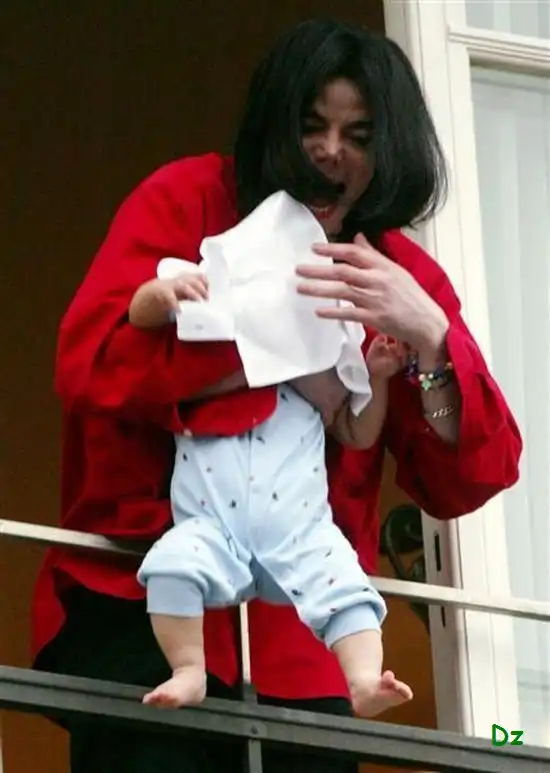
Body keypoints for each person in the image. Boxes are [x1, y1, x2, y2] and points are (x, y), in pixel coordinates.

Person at [31, 18, 522, 773]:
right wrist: (278, 343)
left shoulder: (395, 272)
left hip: (307, 635)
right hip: (151, 604)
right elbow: (90, 366)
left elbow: (472, 474)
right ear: (276, 125)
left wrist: (429, 339)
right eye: (311, 126)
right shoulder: (188, 198)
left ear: (388, 148)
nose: (329, 151)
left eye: (358, 134)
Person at [129, 260, 412, 715]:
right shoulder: (210, 360)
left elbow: (357, 431)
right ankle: (189, 668)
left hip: (300, 532)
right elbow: (139, 316)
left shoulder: (313, 376)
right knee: (169, 566)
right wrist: (160, 293)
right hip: (211, 529)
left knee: (348, 588)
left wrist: (376, 377)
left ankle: (363, 680)